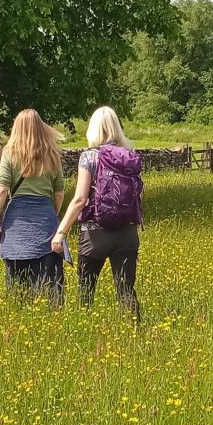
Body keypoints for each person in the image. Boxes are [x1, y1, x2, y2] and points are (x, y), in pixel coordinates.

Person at [52, 106, 142, 319]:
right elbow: (139, 196)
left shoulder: (89, 157)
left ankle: (86, 336)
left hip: (95, 234)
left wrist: (61, 231)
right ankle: (138, 334)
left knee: (86, 291)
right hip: (128, 233)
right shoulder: (130, 156)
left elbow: (80, 199)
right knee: (126, 290)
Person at [0, 110, 65, 301]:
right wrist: (52, 214)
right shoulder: (52, 153)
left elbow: (2, 190)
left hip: (16, 223)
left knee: (16, 282)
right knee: (49, 282)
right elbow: (59, 193)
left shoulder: (9, 153)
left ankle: (18, 312)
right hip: (46, 220)